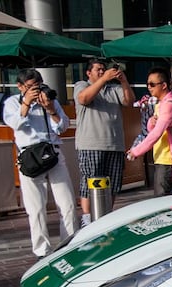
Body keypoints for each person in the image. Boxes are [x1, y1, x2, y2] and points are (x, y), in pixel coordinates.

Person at [3, 68, 77, 258]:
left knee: (67, 204)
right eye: (30, 87)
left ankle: (68, 245)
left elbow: (63, 127)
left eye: (38, 86)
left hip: (52, 153)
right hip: (29, 157)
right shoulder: (12, 103)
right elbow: (15, 124)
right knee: (35, 208)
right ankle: (42, 251)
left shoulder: (49, 100)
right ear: (20, 87)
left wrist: (51, 110)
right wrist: (26, 103)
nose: (36, 91)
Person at [73, 58, 135, 228]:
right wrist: (103, 79)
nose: (102, 72)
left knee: (112, 184)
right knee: (89, 182)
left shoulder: (113, 89)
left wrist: (123, 80)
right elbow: (83, 99)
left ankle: (105, 215)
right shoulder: (81, 85)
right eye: (98, 70)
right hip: (90, 145)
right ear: (88, 73)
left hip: (114, 145)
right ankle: (87, 219)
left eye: (103, 69)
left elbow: (129, 101)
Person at [126, 67, 172, 196]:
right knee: (164, 200)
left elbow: (156, 134)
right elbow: (154, 130)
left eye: (152, 84)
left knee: (162, 200)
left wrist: (136, 151)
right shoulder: (162, 103)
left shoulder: (168, 104)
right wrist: (151, 122)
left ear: (164, 85)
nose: (149, 87)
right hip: (161, 157)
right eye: (147, 84)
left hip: (167, 158)